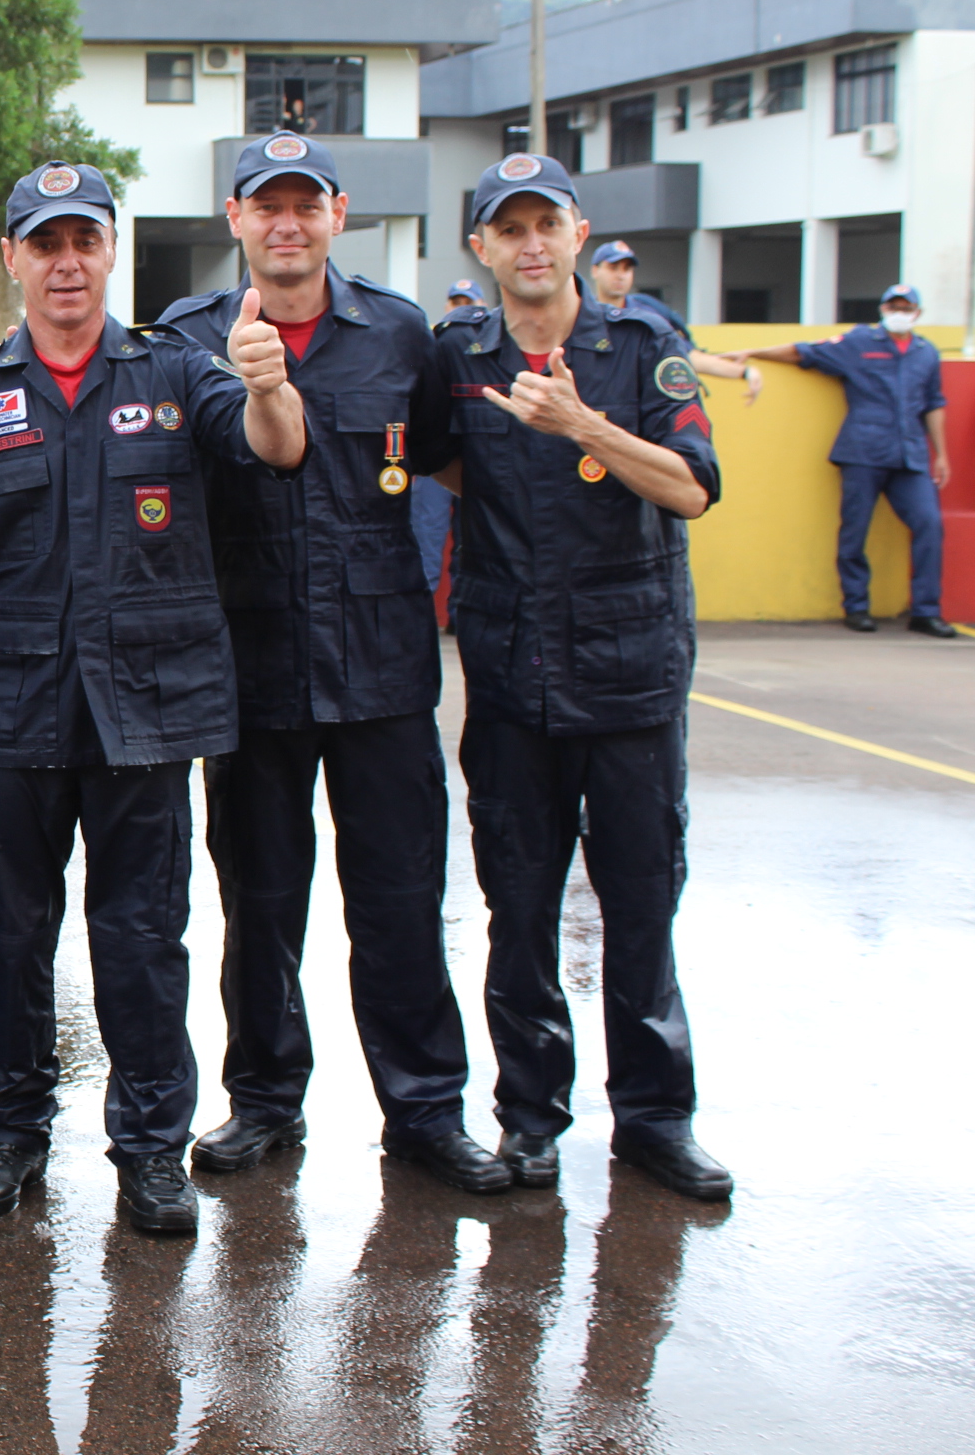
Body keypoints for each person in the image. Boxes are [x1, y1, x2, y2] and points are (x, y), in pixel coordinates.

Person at [0, 159, 308, 1233]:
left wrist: (269, 384)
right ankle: (7, 1135)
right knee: (13, 936)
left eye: (84, 239)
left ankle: (149, 1151)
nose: (67, 261)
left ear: (110, 250)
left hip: (147, 714)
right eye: (45, 242)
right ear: (13, 258)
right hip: (15, 713)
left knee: (142, 942)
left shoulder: (180, 374)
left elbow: (276, 450)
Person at [158, 136, 506, 1195]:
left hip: (383, 671)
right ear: (236, 219)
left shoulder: (403, 336)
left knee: (399, 900)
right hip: (253, 671)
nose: (287, 224)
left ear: (338, 215)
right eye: (268, 207)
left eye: (306, 206)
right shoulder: (187, 340)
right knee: (260, 902)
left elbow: (454, 459)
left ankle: (427, 1112)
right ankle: (263, 1100)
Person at [428, 152, 733, 1202]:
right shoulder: (460, 355)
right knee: (519, 909)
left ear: (577, 233)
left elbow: (693, 488)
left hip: (631, 673)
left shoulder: (643, 348)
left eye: (545, 225)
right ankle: (530, 1120)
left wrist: (584, 427)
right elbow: (441, 461)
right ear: (482, 247)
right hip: (514, 678)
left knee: (642, 905)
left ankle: (655, 1119)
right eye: (508, 229)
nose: (530, 245)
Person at [733, 283, 956, 637]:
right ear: (883, 309)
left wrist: (941, 454)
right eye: (893, 306)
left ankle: (926, 611)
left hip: (909, 454)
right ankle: (856, 607)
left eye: (906, 306)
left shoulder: (926, 353)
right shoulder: (859, 342)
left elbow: (933, 404)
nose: (899, 312)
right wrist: (754, 352)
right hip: (863, 451)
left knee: (929, 524)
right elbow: (804, 353)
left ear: (917, 313)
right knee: (855, 530)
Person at [588, 241, 759, 404]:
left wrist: (744, 372)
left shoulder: (648, 314)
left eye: (627, 269)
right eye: (613, 268)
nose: (620, 275)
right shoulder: (583, 315)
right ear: (595, 271)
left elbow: (685, 356)